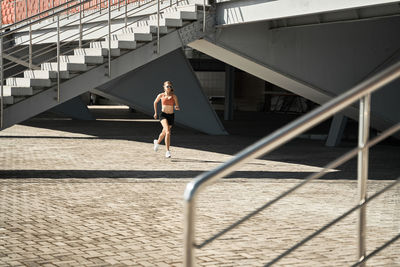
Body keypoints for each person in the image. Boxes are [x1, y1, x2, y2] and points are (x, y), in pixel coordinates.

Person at [153, 81, 180, 158]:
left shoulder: (174, 96)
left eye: (170, 87)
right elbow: (155, 102)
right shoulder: (161, 95)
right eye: (167, 86)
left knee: (164, 132)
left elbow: (177, 106)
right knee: (168, 132)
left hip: (171, 116)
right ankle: (167, 151)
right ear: (164, 87)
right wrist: (155, 113)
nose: (169, 88)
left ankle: (157, 142)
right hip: (163, 115)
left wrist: (177, 107)